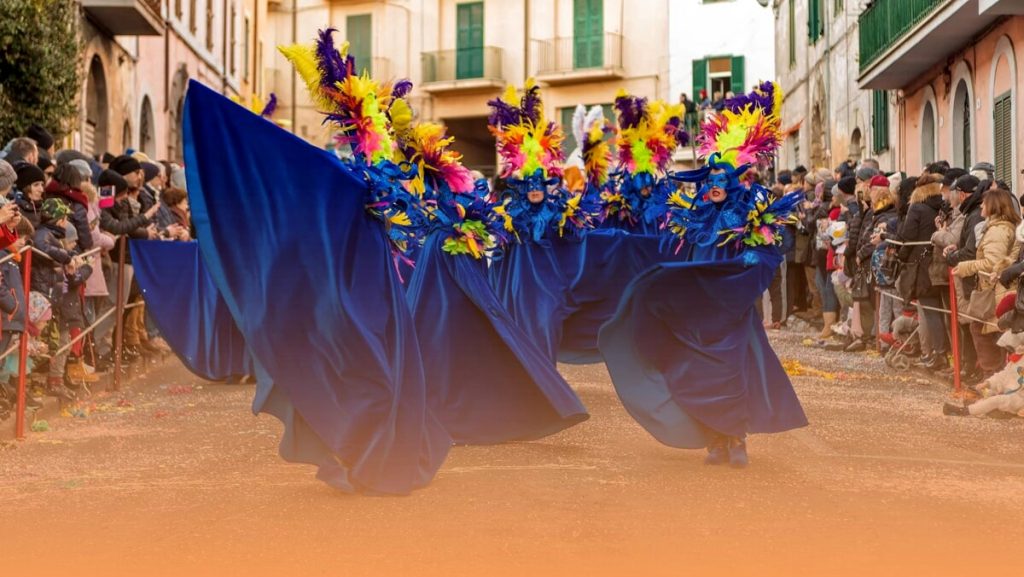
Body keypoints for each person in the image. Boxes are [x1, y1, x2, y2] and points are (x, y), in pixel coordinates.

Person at [601, 81, 807, 469]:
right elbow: (673, 251)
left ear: (733, 183)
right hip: (698, 311)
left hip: (733, 309)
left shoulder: (749, 216)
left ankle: (736, 438)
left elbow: (768, 253)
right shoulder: (694, 217)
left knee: (732, 371)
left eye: (720, 181)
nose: (713, 187)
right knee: (699, 372)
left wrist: (749, 263)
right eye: (709, 181)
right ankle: (714, 439)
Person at [952, 188, 1021, 378]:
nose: (981, 205)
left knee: (986, 333)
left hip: (996, 290)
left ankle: (992, 380)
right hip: (997, 289)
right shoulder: (1002, 227)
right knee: (988, 333)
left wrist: (965, 266)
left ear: (993, 206)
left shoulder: (997, 230)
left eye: (984, 202)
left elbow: (992, 263)